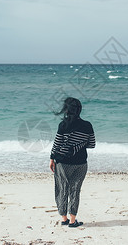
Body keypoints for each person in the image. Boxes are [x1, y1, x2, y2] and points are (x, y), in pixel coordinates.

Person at [49, 97, 96, 228]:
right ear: (79, 110)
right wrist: (79, 144)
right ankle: (72, 220)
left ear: (66, 110)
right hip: (80, 163)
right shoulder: (87, 125)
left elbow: (56, 144)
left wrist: (51, 159)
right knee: (75, 190)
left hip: (62, 163)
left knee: (62, 188)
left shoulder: (63, 125)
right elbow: (92, 144)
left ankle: (63, 218)